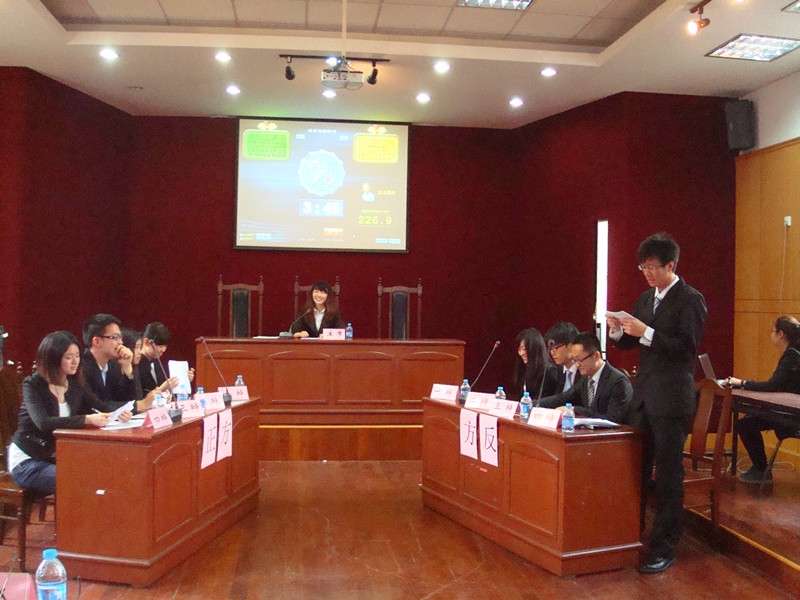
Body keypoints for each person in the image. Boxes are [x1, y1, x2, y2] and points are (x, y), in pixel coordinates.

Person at [607, 232, 707, 575]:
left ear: (671, 265)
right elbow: (631, 344)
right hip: (644, 398)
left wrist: (645, 332)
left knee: (667, 475)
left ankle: (664, 546)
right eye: (643, 266)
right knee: (636, 468)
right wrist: (618, 331)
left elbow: (686, 348)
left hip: (672, 399)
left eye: (653, 266)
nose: (647, 273)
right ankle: (629, 533)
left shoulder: (690, 299)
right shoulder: (645, 298)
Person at [8, 331, 132, 496]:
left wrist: (120, 412)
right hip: (27, 460)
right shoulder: (33, 384)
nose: (75, 361)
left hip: (56, 457)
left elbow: (101, 405)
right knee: (77, 479)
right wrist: (86, 419)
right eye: (68, 357)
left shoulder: (74, 383)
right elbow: (44, 422)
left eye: (77, 356)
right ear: (53, 358)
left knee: (104, 471)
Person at [727, 315, 800, 483]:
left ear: (781, 334)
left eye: (773, 331)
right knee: (748, 420)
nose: (771, 334)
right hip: (789, 410)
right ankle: (761, 470)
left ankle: (761, 470)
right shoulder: (793, 353)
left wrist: (742, 383)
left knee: (745, 424)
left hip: (791, 415)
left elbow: (771, 386)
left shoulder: (792, 356)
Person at [537, 332, 633, 425]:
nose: (577, 365)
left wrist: (575, 409)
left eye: (579, 360)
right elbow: (564, 397)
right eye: (574, 360)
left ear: (596, 356)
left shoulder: (618, 382)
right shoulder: (585, 379)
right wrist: (535, 404)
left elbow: (613, 420)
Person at [80, 313, 136, 407]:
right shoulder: (81, 367)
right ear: (97, 341)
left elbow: (126, 400)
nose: (121, 342)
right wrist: (139, 405)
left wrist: (127, 368)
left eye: (120, 338)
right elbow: (97, 405)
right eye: (115, 337)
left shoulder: (113, 365)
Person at [138, 322, 194, 396]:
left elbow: (167, 388)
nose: (163, 350)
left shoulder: (157, 363)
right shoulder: (136, 364)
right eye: (160, 346)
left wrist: (184, 379)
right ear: (147, 342)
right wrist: (163, 389)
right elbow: (140, 396)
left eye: (165, 346)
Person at [512, 328, 560, 401]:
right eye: (519, 349)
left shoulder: (548, 372)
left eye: (524, 349)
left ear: (535, 348)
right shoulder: (524, 368)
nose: (521, 353)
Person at [544, 322, 582, 392]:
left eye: (556, 347)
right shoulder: (557, 373)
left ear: (570, 347)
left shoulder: (584, 371)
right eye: (551, 348)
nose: (552, 353)